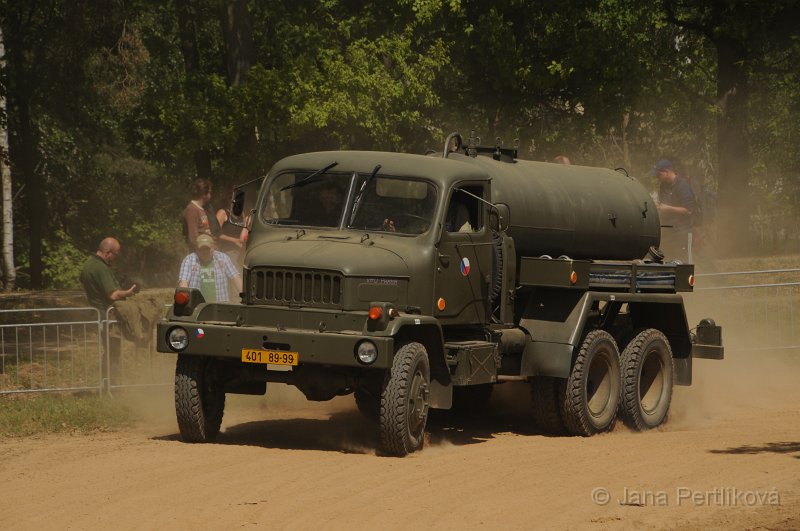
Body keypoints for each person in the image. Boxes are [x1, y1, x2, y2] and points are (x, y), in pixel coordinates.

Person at [651, 159, 697, 262]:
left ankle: (718, 278)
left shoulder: (683, 185)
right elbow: (663, 206)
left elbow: (689, 210)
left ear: (667, 171)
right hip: (669, 230)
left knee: (688, 260)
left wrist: (667, 208)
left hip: (682, 231)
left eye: (659, 175)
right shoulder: (663, 186)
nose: (657, 178)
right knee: (668, 258)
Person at [79, 237, 138, 315]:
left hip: (96, 311)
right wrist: (127, 293)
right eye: (115, 254)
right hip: (106, 313)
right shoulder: (101, 267)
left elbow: (82, 281)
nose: (115, 258)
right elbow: (113, 295)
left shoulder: (88, 262)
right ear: (107, 253)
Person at [178, 234, 242, 302]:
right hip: (197, 305)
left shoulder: (222, 258)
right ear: (196, 249)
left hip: (221, 304)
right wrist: (184, 300)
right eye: (202, 249)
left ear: (213, 247)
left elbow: (235, 278)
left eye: (207, 249)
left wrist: (245, 296)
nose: (205, 252)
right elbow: (183, 283)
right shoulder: (189, 260)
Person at [182, 178, 220, 249]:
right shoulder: (192, 210)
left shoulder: (203, 209)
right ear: (204, 194)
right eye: (209, 192)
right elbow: (193, 238)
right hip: (201, 253)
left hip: (209, 251)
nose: (210, 195)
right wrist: (203, 252)